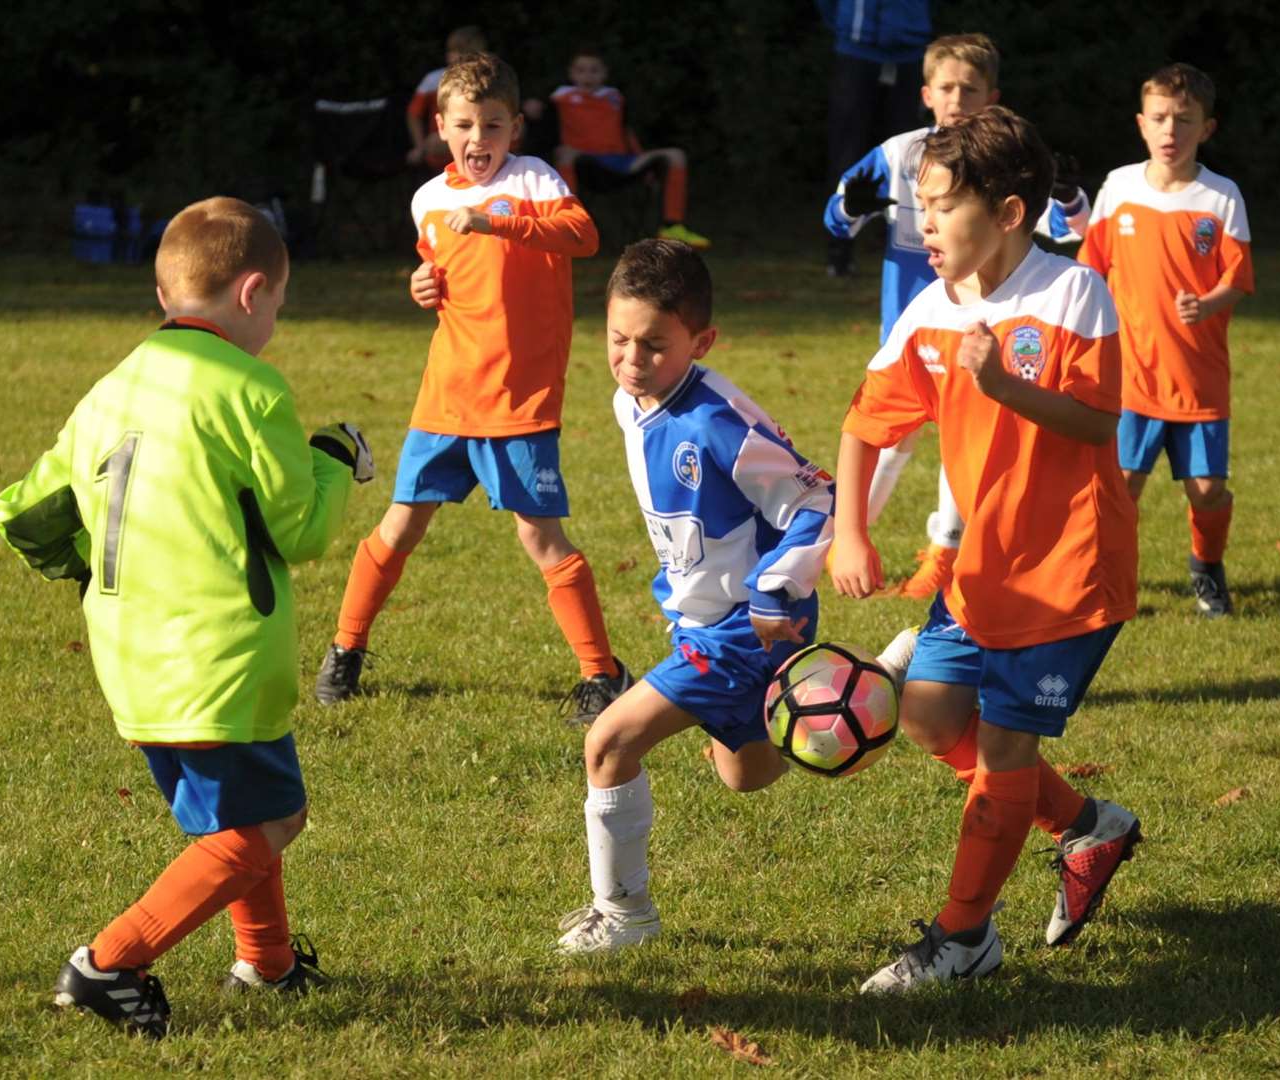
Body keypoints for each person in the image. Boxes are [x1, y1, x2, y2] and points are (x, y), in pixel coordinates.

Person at [0, 197, 371, 1037]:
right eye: (277, 302)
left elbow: (24, 510)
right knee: (273, 821)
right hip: (219, 653)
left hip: (131, 651)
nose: (274, 320)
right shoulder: (252, 388)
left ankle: (267, 964)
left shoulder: (113, 383)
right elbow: (300, 529)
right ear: (249, 294)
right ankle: (109, 961)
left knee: (240, 814)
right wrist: (336, 459)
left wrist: (84, 567)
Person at [830, 107, 1142, 993]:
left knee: (1002, 755)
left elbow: (1095, 420)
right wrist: (852, 529)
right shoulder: (932, 309)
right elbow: (864, 425)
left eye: (939, 207)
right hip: (982, 571)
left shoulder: (1072, 293)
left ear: (1008, 213)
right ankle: (1089, 825)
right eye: (918, 207)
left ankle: (964, 938)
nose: (921, 225)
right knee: (929, 718)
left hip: (1067, 572)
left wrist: (1003, 383)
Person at [555, 238, 899, 954]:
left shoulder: (719, 423)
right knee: (748, 775)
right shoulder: (633, 399)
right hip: (703, 620)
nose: (630, 360)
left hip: (745, 627)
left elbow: (817, 503)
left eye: (654, 345)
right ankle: (860, 686)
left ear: (701, 341)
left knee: (609, 743)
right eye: (617, 339)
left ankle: (625, 915)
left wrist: (776, 587)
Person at [315, 53, 630, 727]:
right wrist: (419, 286)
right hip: (447, 396)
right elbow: (440, 273)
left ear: (515, 129)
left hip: (519, 401)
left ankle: (601, 675)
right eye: (466, 125)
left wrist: (499, 221)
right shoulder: (428, 200)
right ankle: (345, 650)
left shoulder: (536, 180)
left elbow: (584, 235)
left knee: (540, 536)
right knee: (400, 527)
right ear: (441, 127)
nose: (479, 139)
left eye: (493, 125)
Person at [825, 33, 1093, 601]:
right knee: (888, 443)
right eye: (946, 87)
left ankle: (944, 553)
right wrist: (851, 206)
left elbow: (1068, 234)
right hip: (911, 333)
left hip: (985, 337)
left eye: (970, 88)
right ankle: (844, 539)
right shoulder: (899, 156)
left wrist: (1069, 200)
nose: (957, 98)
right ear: (926, 94)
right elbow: (835, 219)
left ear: (992, 96)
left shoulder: (1001, 166)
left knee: (962, 445)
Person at [1079, 63, 1253, 617]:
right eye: (1159, 118)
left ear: (1207, 128)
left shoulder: (1221, 197)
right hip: (1131, 376)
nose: (1170, 130)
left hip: (1199, 378)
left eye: (1184, 119)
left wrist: (1207, 303)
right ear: (1141, 123)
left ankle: (1207, 567)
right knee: (1123, 486)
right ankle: (1111, 579)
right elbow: (1091, 268)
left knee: (1206, 491)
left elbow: (1238, 278)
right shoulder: (1119, 188)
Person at [546, 45, 711, 250]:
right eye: (581, 70)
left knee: (675, 155)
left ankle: (671, 225)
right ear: (571, 74)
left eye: (594, 70)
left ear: (604, 73)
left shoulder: (615, 98)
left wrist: (641, 158)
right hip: (585, 162)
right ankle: (568, 224)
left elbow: (627, 131)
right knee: (564, 154)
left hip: (620, 161)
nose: (587, 76)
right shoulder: (558, 98)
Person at [818, 0, 931, 279]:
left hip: (910, 52)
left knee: (914, 155)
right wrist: (848, 30)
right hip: (856, 51)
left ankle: (911, 243)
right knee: (848, 154)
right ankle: (839, 252)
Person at [406, 26, 490, 175]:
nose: (458, 57)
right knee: (436, 142)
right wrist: (419, 146)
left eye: (466, 53)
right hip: (445, 140)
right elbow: (413, 114)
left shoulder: (491, 80)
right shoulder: (434, 81)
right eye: (454, 51)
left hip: (482, 137)